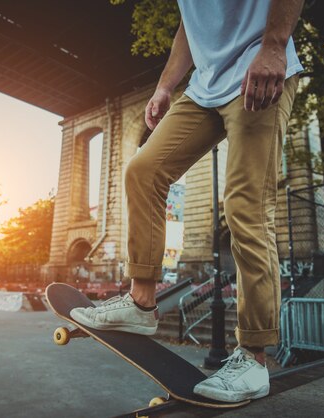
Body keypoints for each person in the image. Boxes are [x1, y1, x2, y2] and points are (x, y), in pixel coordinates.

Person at [70, 0, 304, 402]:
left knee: (246, 207)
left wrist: (274, 45)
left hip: (257, 72)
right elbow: (190, 23)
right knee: (142, 172)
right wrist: (165, 85)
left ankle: (253, 357)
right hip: (203, 89)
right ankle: (142, 301)